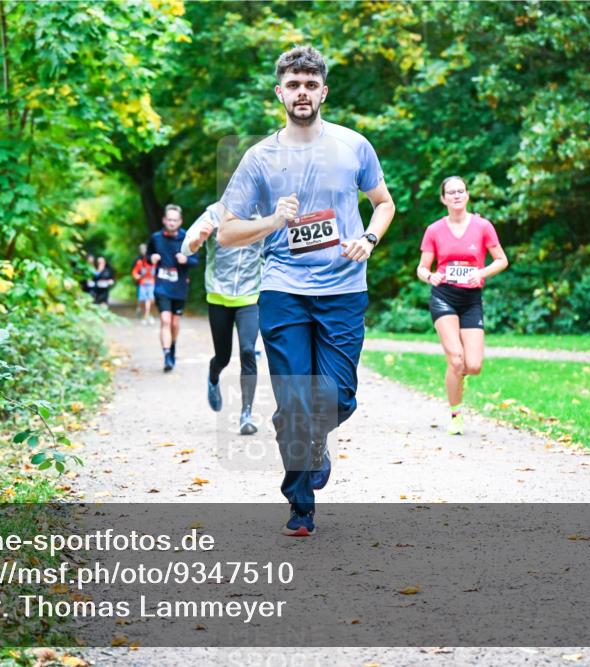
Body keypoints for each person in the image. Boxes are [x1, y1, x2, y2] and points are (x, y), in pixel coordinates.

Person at [218, 46, 395, 536]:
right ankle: (301, 505)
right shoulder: (260, 158)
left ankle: (312, 439)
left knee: (339, 397)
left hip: (343, 289)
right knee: (295, 401)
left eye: (310, 84)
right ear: (280, 92)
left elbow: (383, 203)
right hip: (283, 290)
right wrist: (275, 219)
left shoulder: (353, 146)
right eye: (293, 85)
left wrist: (369, 238)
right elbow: (227, 231)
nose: (302, 92)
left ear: (324, 92)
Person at [416, 176, 509, 435]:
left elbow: (501, 260)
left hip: (471, 299)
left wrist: (481, 273)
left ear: (467, 195)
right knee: (456, 360)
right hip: (443, 295)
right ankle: (456, 415)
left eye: (460, 191)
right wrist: (430, 276)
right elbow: (422, 268)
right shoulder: (434, 230)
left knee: (473, 365)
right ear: (443, 198)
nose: (456, 196)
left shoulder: (482, 226)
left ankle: (457, 374)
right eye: (451, 192)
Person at [181, 202, 262, 435]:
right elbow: (186, 247)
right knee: (223, 356)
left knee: (248, 351)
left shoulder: (264, 214)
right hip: (218, 296)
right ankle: (213, 375)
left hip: (249, 296)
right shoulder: (215, 212)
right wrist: (200, 239)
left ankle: (246, 414)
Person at [148, 204, 198, 372]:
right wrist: (152, 258)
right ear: (164, 220)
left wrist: (186, 260)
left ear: (180, 221)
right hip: (161, 286)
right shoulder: (155, 238)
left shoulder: (187, 238)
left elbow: (196, 260)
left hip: (179, 287)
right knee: (165, 320)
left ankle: (173, 344)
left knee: (175, 323)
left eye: (174, 220)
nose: (171, 223)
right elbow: (148, 256)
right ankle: (167, 354)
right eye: (169, 219)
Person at [131, 243, 156, 325]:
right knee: (143, 300)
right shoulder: (138, 261)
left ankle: (146, 316)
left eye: (145, 249)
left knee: (150, 300)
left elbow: (158, 270)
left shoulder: (154, 260)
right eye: (142, 250)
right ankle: (145, 313)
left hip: (152, 283)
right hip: (142, 284)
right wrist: (137, 276)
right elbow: (134, 271)